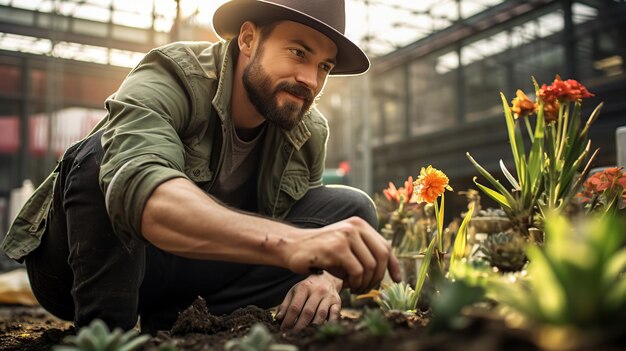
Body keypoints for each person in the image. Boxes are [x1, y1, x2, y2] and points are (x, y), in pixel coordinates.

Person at [1, 0, 400, 333]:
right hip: (80, 268)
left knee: (355, 212)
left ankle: (179, 319)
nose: (309, 79)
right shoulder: (171, 74)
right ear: (247, 38)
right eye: (298, 52)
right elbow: (139, 190)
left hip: (193, 278)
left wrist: (326, 277)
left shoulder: (307, 129)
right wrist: (293, 245)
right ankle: (109, 335)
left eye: (325, 67)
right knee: (101, 157)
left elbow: (323, 228)